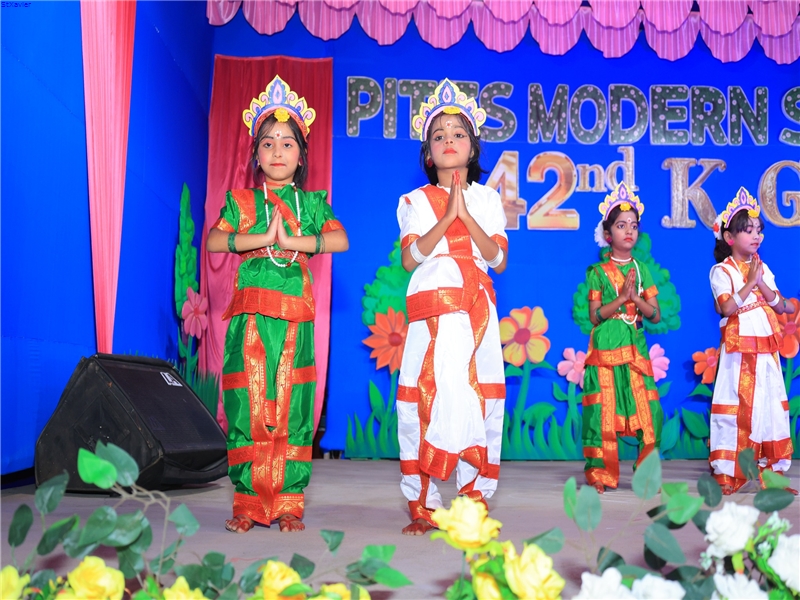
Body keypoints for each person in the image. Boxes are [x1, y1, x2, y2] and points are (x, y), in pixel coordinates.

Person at [207, 76, 348, 533]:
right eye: (268, 143)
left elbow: (340, 240)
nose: (278, 151)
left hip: (293, 321)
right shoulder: (241, 201)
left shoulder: (311, 204)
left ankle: (288, 502)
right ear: (256, 155)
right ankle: (248, 503)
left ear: (301, 156)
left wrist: (295, 243)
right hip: (250, 318)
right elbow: (213, 241)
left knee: (292, 404)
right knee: (247, 403)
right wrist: (262, 238)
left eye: (288, 143)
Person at [396, 79, 508, 535]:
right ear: (428, 154)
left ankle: (472, 501)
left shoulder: (488, 198)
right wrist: (446, 217)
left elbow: (498, 259)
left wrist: (464, 215)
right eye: (438, 136)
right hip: (432, 309)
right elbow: (410, 258)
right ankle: (422, 503)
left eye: (458, 134)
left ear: (472, 147)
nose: (448, 141)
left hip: (476, 309)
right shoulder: (413, 201)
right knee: (422, 395)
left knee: (482, 396)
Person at [708, 187, 796, 495]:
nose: (756, 235)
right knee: (738, 408)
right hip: (739, 351)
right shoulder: (721, 271)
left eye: (759, 230)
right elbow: (726, 308)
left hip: (766, 350)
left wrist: (761, 283)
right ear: (729, 237)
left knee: (769, 408)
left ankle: (772, 474)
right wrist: (749, 283)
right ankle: (729, 474)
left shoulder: (763, 268)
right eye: (748, 230)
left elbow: (782, 305)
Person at [581, 182, 663, 493]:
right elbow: (595, 316)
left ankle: (646, 475)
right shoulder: (598, 272)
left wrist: (636, 298)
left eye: (633, 226)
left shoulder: (642, 270)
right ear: (608, 234)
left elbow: (654, 314)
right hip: (605, 348)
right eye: (620, 225)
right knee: (603, 412)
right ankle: (600, 474)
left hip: (635, 349)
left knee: (649, 412)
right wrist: (621, 299)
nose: (628, 231)